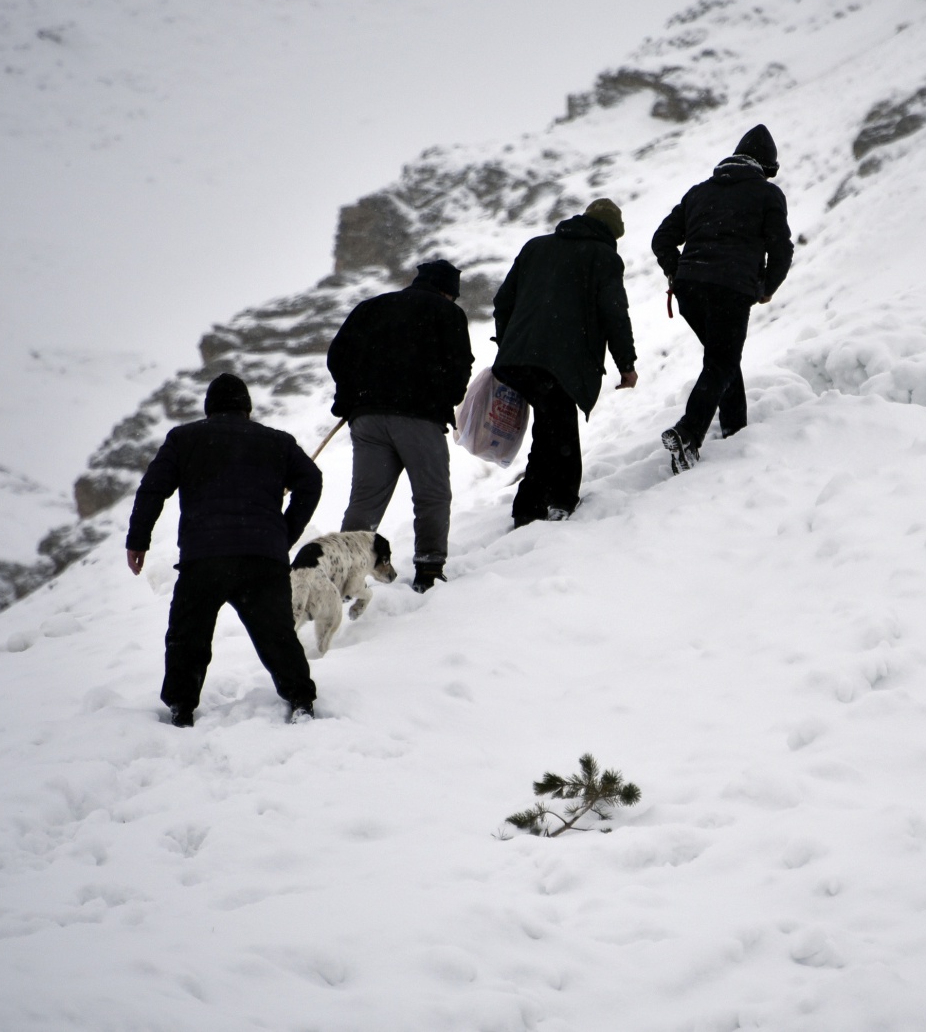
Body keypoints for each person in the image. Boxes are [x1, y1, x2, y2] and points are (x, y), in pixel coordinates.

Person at [125, 373, 323, 727]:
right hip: (263, 558)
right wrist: (284, 533)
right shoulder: (276, 441)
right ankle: (301, 700)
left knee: (188, 636)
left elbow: (152, 488)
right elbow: (312, 480)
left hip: (205, 557)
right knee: (277, 635)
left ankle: (181, 708)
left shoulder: (184, 439)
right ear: (247, 409)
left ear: (208, 410)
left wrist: (138, 540)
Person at [651, 123, 794, 473]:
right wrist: (766, 287)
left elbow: (662, 239)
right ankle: (688, 434)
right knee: (722, 362)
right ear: (765, 168)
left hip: (690, 290)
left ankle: (734, 430)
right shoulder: (766, 195)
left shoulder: (700, 192)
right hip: (730, 289)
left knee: (723, 359)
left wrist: (676, 273)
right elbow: (782, 249)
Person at [327, 259, 474, 592]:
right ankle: (429, 570)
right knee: (431, 495)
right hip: (418, 417)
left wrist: (349, 399)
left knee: (365, 501)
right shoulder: (447, 313)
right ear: (448, 292)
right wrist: (445, 398)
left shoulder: (370, 307)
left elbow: (338, 355)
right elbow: (460, 364)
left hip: (368, 419)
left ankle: (345, 578)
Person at [492, 199, 638, 527]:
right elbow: (614, 314)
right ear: (611, 234)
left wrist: (510, 345)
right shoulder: (603, 257)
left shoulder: (536, 247)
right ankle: (539, 505)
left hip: (519, 358)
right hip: (561, 362)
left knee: (554, 423)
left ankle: (553, 500)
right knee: (555, 428)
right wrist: (626, 363)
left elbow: (503, 302)